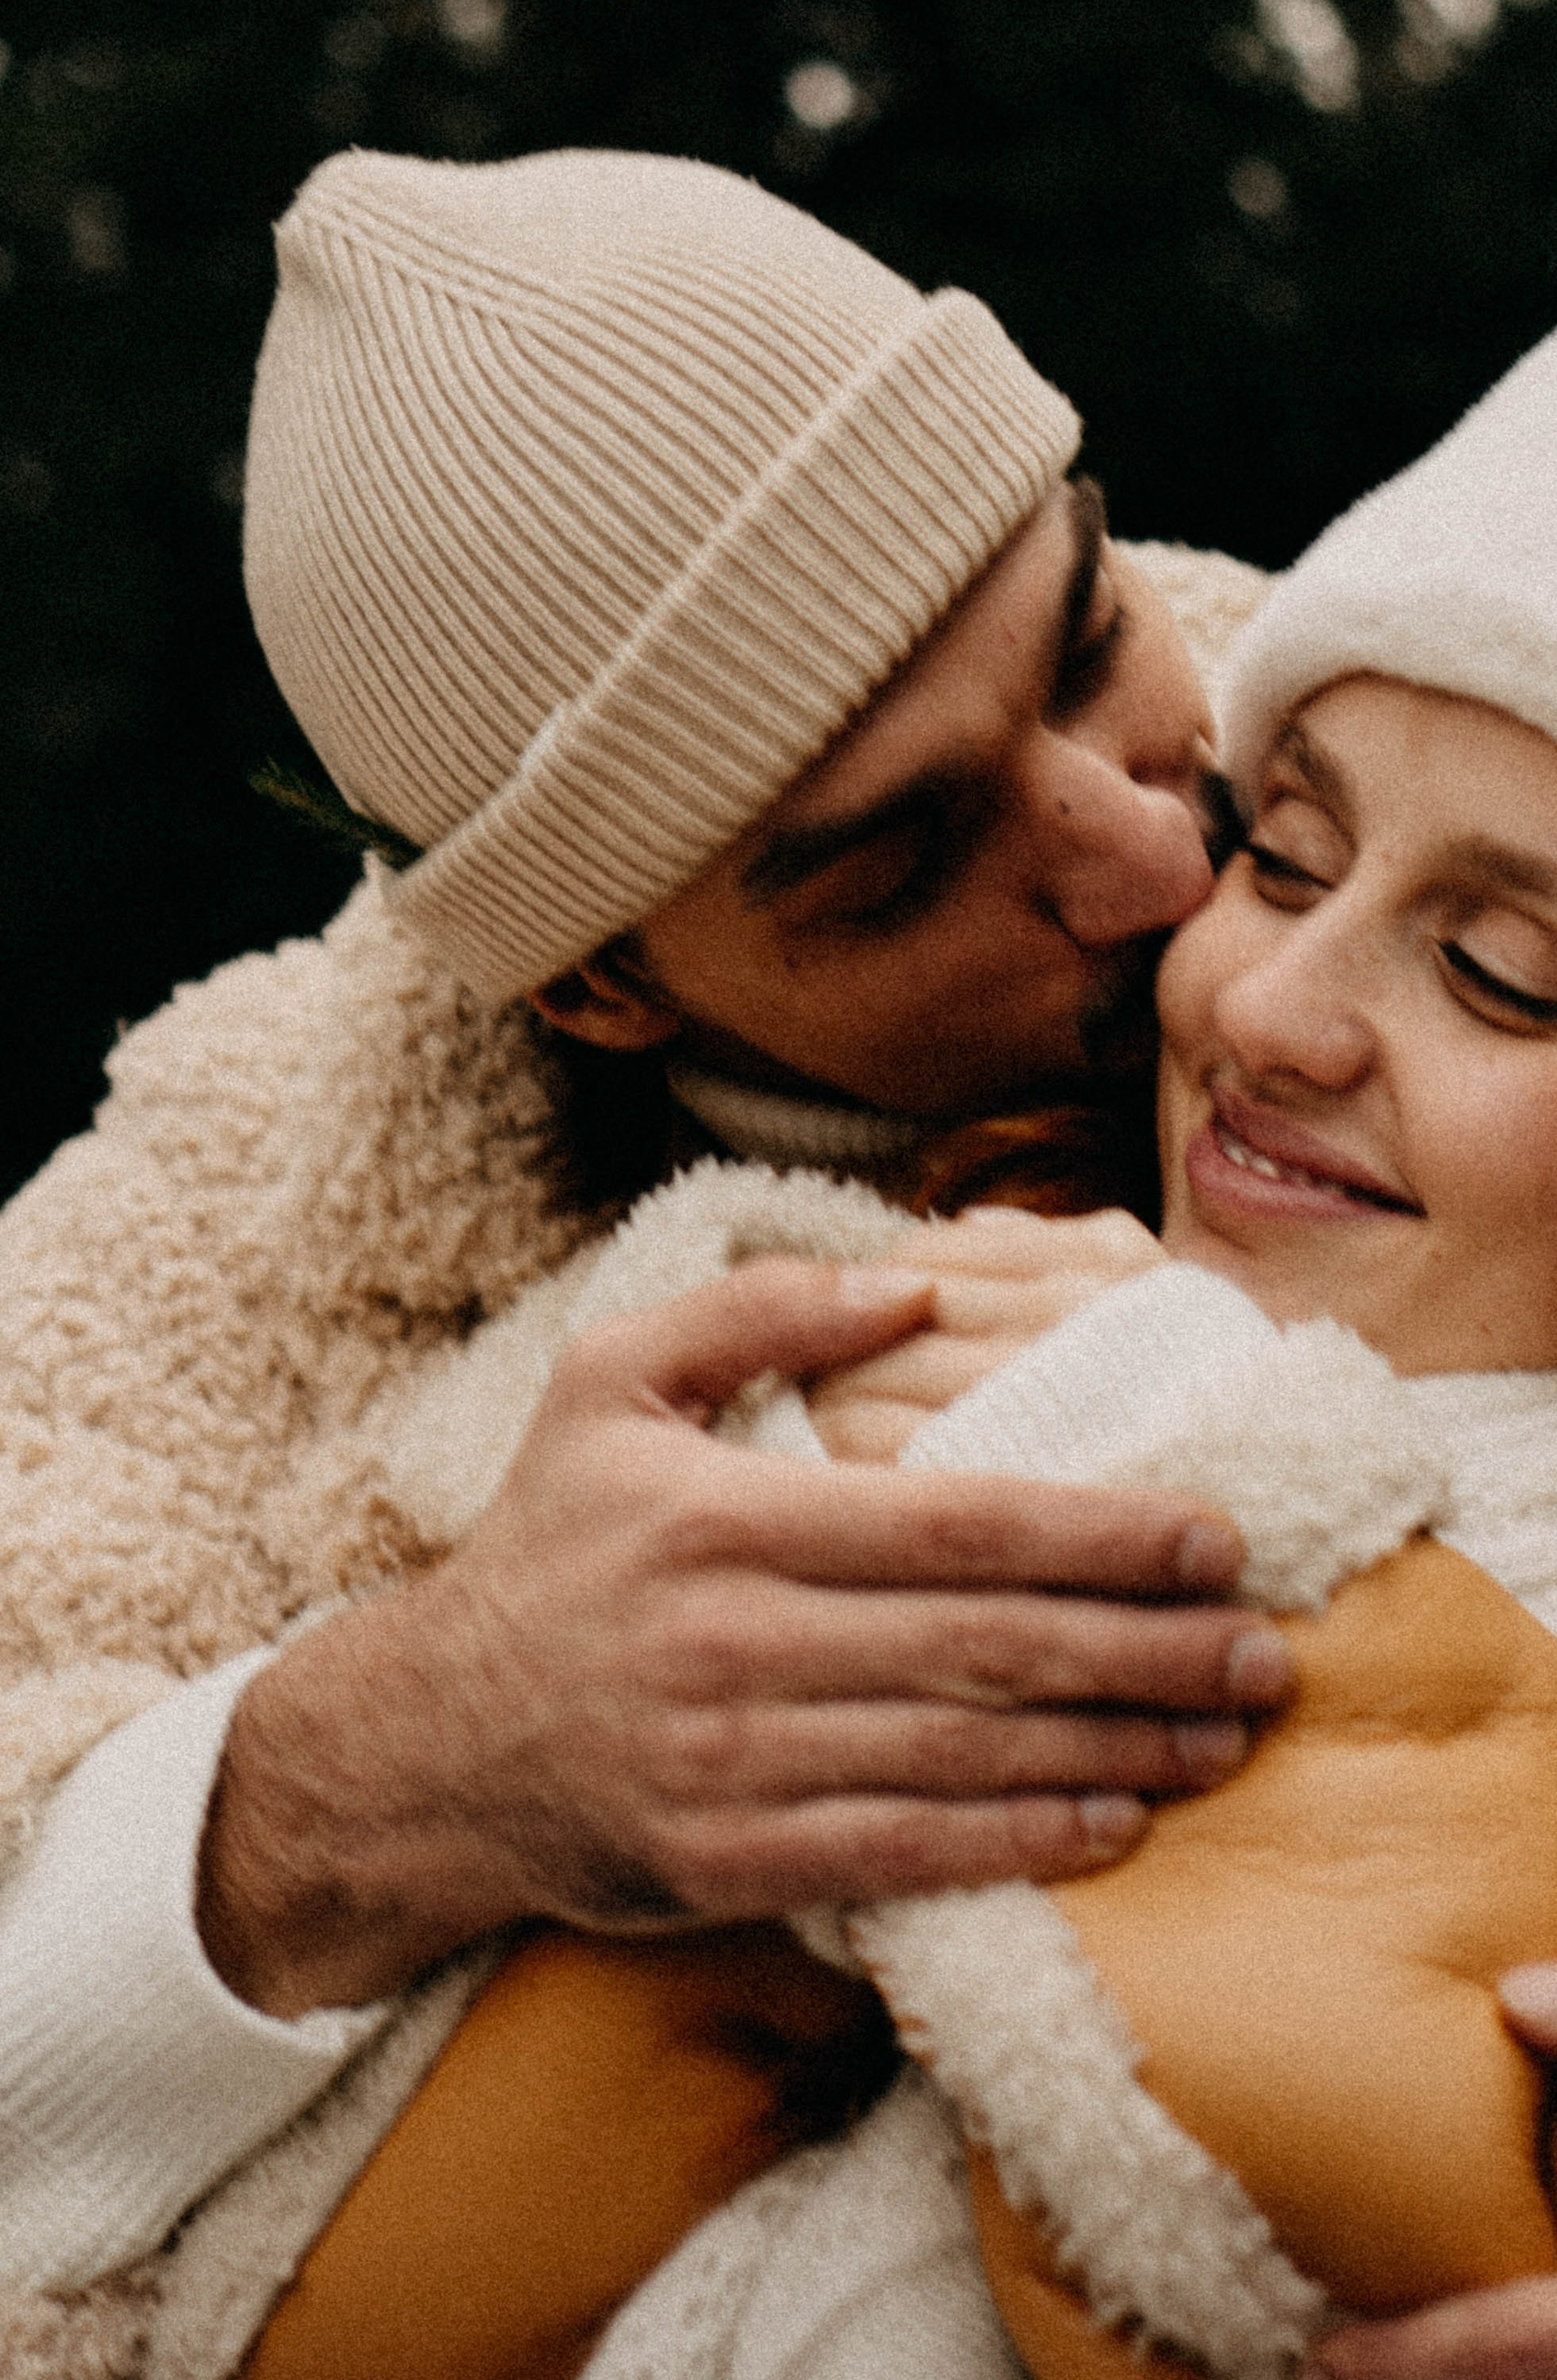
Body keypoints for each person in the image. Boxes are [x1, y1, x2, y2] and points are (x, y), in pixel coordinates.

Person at [177, 273, 1557, 2380]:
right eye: (1283, 854)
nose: (1253, 998)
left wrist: (1196, 1485)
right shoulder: (763, 1351)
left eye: (1508, 975)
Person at [0, 145, 1291, 2361]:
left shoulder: (1525, 782)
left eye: (1091, 643)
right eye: (902, 861)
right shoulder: (204, 1243)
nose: (1152, 852)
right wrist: (409, 1754)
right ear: (599, 984)